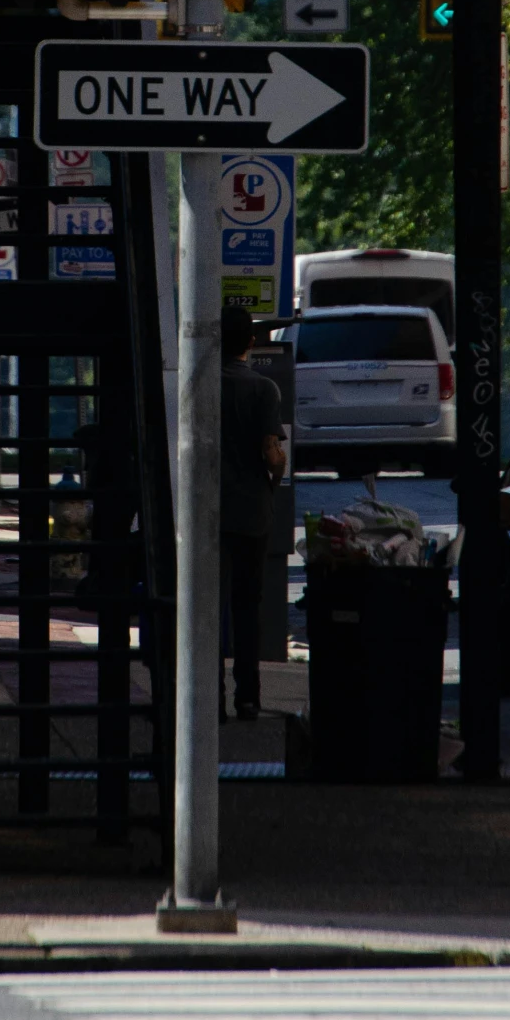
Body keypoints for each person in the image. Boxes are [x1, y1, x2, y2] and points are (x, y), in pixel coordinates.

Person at [219, 304, 286, 722]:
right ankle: (248, 697)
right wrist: (273, 481)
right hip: (251, 512)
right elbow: (273, 453)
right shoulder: (264, 389)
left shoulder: (200, 384)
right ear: (251, 341)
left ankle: (207, 695)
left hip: (207, 512)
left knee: (206, 605)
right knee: (248, 605)